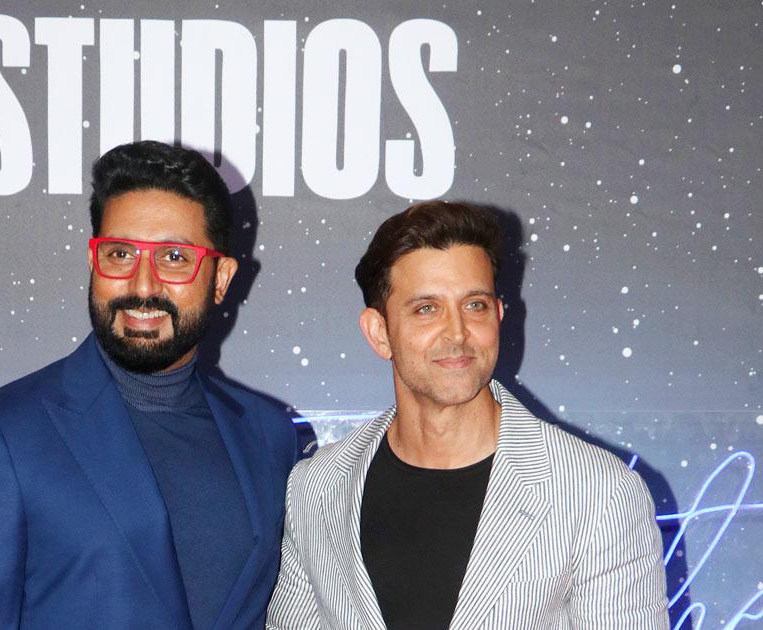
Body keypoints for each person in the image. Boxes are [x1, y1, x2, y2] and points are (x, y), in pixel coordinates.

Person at [0, 140, 300, 629]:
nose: (143, 286)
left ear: (221, 278)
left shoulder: (268, 435)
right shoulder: (2, 438)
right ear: (92, 260)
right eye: (120, 254)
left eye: (175, 257)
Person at [266, 201, 667, 629]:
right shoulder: (317, 488)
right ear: (379, 333)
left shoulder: (599, 494)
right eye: (426, 308)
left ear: (499, 316)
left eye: (475, 305)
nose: (457, 333)